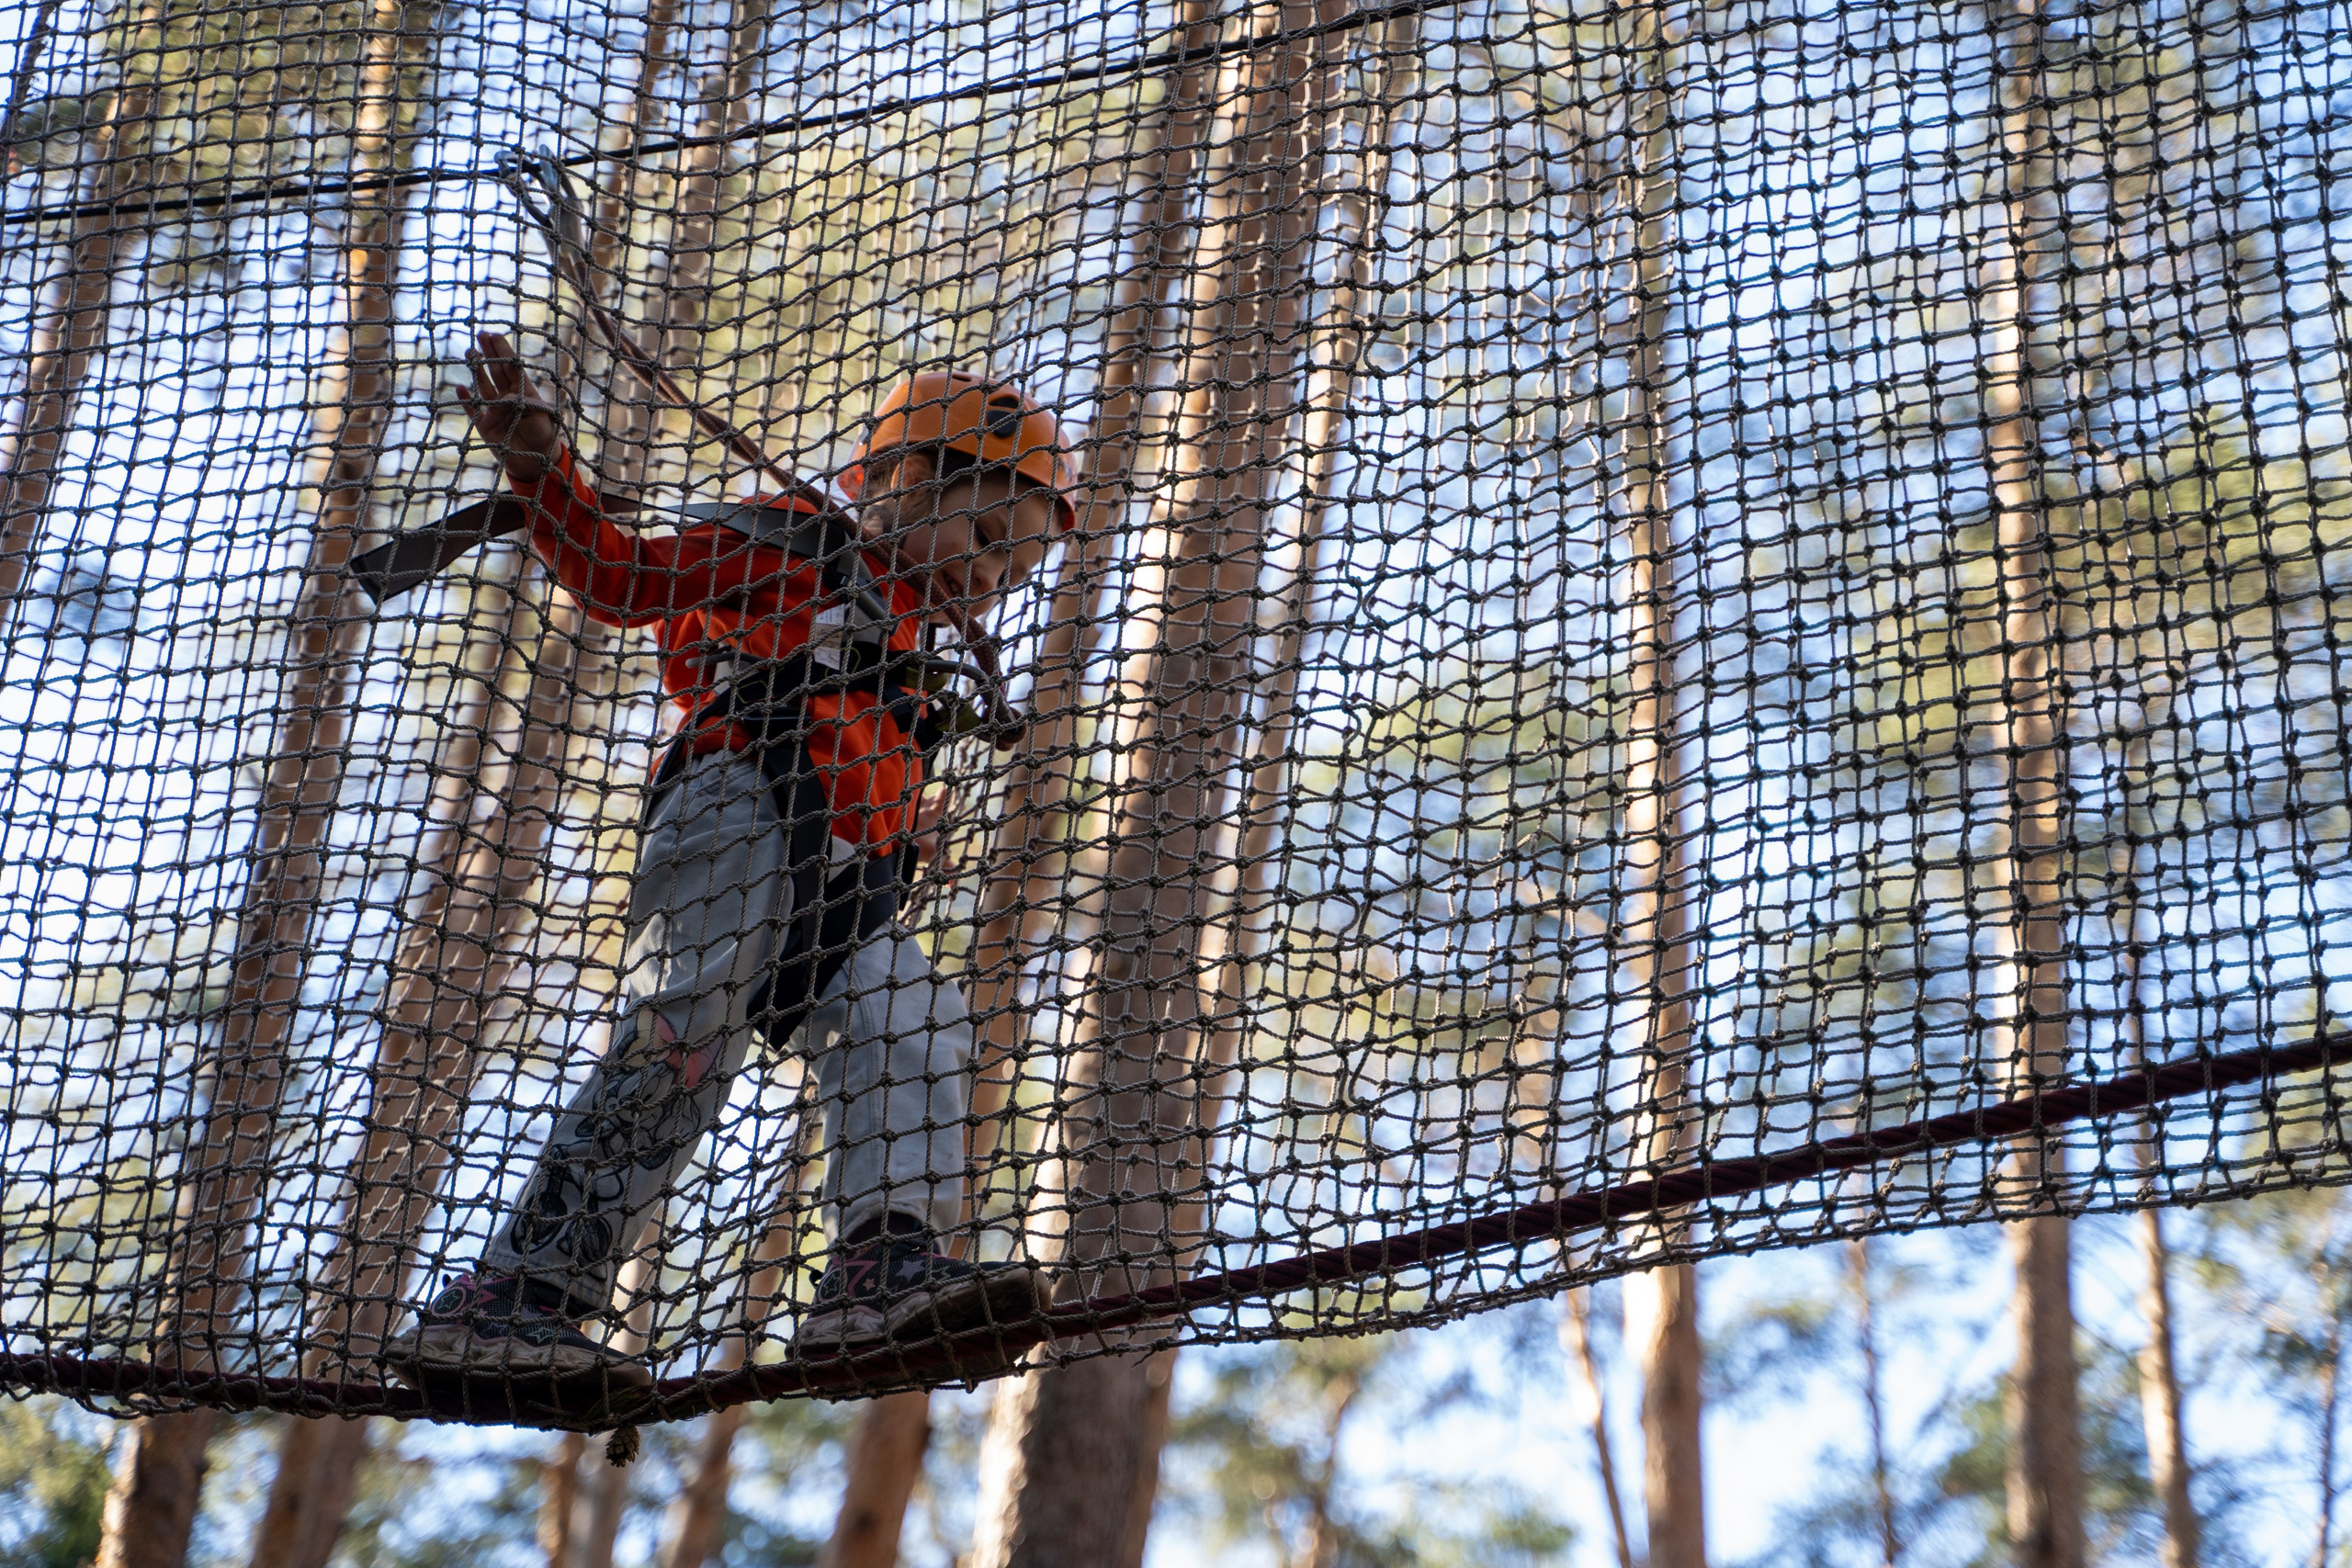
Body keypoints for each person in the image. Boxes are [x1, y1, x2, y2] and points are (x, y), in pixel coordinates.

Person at [386, 332, 1072, 1393]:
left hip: (842, 878)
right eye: (982, 536)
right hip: (736, 811)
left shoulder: (911, 645)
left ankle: (878, 1270)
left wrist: (902, 832)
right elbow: (622, 578)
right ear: (891, 480)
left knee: (915, 1019)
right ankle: (522, 1293)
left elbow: (865, 759)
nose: (988, 579)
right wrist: (540, 471)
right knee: (688, 1031)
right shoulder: (790, 547)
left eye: (1012, 569)